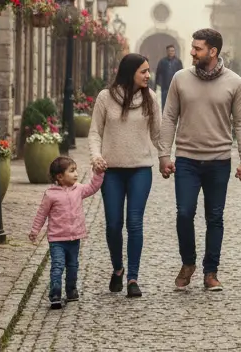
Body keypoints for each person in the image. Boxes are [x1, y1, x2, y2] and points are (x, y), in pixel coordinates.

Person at [158, 28, 241, 293]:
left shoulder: (234, 82)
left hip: (219, 160)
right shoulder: (180, 78)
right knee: (184, 213)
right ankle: (188, 262)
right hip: (187, 159)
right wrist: (164, 154)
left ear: (213, 51)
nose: (192, 52)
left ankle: (211, 272)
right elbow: (169, 117)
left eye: (197, 48)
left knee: (215, 218)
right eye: (192, 47)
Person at [88, 53, 161, 298]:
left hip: (140, 169)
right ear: (130, 72)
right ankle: (118, 268)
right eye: (144, 71)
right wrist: (96, 156)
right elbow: (95, 132)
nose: (148, 75)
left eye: (148, 70)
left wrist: (167, 158)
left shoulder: (151, 98)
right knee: (113, 224)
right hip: (112, 172)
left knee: (134, 222)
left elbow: (158, 135)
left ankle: (133, 278)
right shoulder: (105, 97)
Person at [28, 156, 106, 309]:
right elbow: (41, 214)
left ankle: (71, 290)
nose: (76, 174)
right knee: (57, 266)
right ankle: (55, 294)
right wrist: (35, 231)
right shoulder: (51, 194)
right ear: (60, 176)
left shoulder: (78, 189)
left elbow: (93, 187)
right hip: (57, 239)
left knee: (73, 265)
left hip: (74, 238)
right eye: (72, 171)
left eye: (75, 170)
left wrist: (98, 173)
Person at [154, 45, 182, 110]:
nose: (171, 52)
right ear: (167, 51)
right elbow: (158, 73)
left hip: (175, 86)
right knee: (164, 104)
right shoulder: (162, 62)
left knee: (175, 104)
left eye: (173, 51)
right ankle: (165, 115)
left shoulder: (178, 62)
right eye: (170, 51)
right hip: (165, 87)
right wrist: (156, 85)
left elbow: (181, 74)